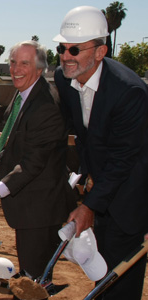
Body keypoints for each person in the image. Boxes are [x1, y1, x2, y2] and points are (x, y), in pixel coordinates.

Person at [53, 6, 148, 300]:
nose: (66, 56)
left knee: (119, 285)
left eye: (75, 49)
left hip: (130, 196)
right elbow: (83, 135)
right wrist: (84, 175)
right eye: (61, 48)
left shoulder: (129, 92)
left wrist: (90, 206)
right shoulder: (64, 78)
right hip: (101, 189)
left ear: (100, 51)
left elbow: (123, 160)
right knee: (100, 275)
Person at [0, 41, 76, 281]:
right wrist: (5, 141)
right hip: (31, 204)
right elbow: (24, 133)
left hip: (41, 206)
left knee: (35, 276)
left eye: (24, 63)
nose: (16, 69)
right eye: (13, 62)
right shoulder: (25, 91)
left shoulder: (45, 105)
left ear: (40, 68)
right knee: (31, 271)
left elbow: (35, 162)